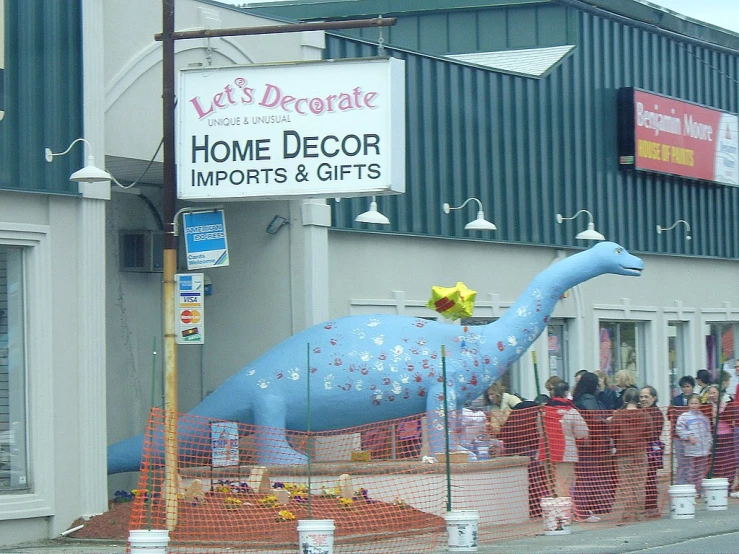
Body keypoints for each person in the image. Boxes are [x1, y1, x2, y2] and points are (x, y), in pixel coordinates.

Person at [538, 381, 597, 522]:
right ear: (566, 393)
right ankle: (561, 517)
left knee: (550, 484)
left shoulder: (543, 411)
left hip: (545, 452)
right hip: (566, 453)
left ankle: (552, 516)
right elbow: (582, 432)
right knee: (563, 485)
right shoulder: (571, 411)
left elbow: (540, 430)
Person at [572, 372, 614, 516]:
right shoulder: (588, 399)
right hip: (592, 444)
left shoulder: (579, 398)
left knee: (588, 476)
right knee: (589, 477)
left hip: (586, 444)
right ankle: (584, 509)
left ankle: (588, 507)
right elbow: (594, 419)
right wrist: (605, 421)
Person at [609, 387, 651, 523]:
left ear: (625, 399)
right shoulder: (645, 415)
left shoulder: (618, 415)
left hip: (623, 453)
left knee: (626, 484)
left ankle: (628, 513)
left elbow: (613, 433)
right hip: (640, 452)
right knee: (639, 484)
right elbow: (650, 434)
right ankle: (640, 513)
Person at [675, 393, 713, 496]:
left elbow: (708, 432)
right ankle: (690, 489)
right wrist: (688, 436)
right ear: (688, 404)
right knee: (690, 469)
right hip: (690, 449)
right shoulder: (683, 417)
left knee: (700, 470)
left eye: (696, 403)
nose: (694, 405)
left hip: (704, 450)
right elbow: (679, 429)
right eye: (692, 403)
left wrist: (709, 443)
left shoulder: (704, 418)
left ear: (700, 404)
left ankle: (698, 489)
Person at [639, 385, 665, 518]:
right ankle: (642, 506)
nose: (643, 399)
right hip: (638, 450)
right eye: (641, 396)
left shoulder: (656, 413)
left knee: (650, 479)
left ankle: (651, 506)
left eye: (646, 397)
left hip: (650, 451)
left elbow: (653, 433)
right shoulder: (639, 411)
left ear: (654, 398)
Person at [704, 384, 736, 481]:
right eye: (710, 393)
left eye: (714, 392)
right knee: (716, 461)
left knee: (728, 460)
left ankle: (729, 481)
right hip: (714, 436)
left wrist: (720, 414)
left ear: (719, 393)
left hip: (727, 435)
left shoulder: (727, 403)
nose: (712, 395)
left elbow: (730, 417)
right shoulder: (708, 406)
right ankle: (716, 480)